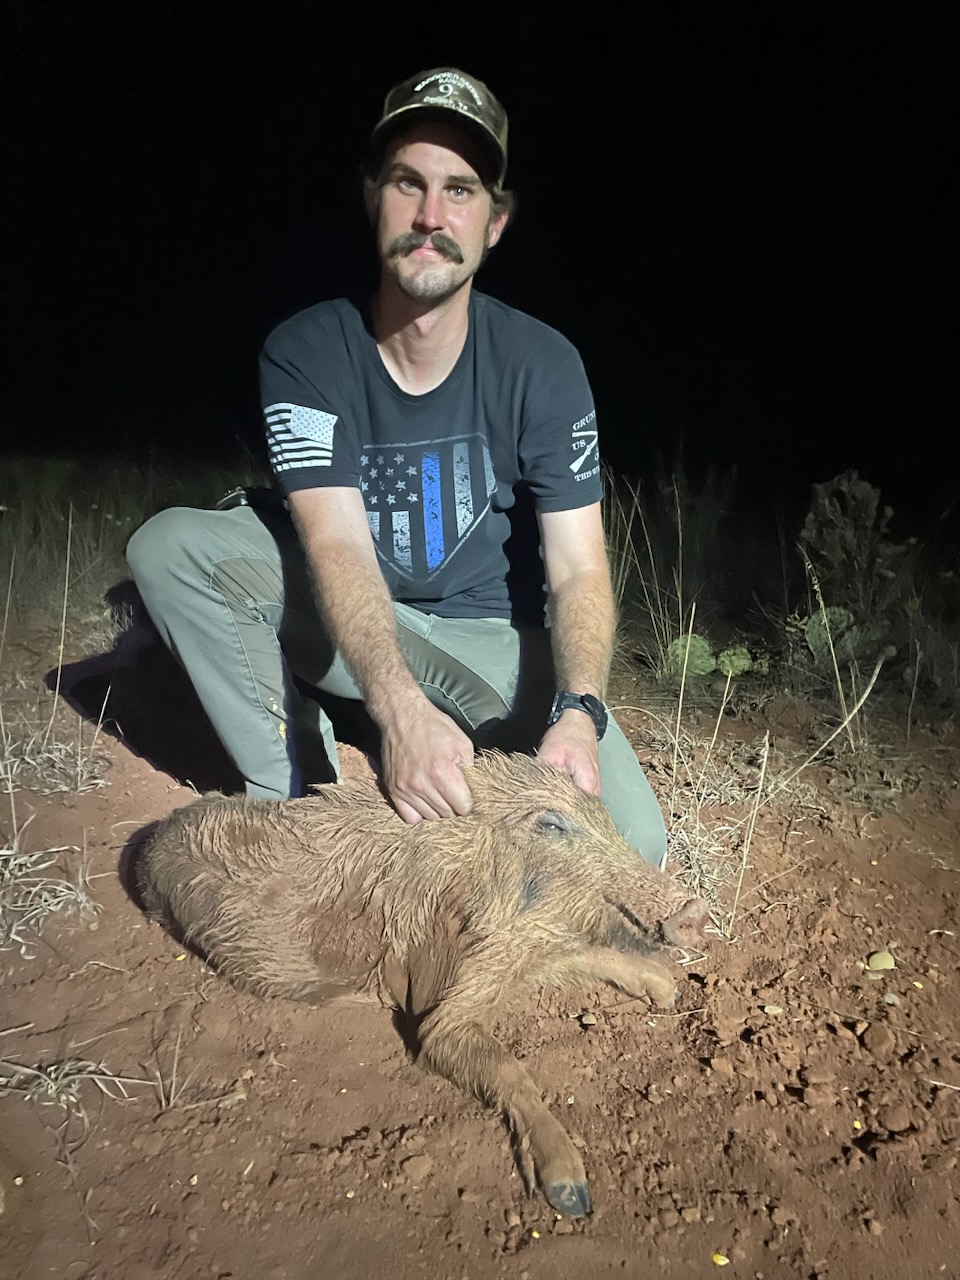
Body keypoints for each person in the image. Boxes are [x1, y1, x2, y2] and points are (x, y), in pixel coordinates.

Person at [127, 67, 668, 868]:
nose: (430, 216)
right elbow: (337, 544)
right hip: (351, 617)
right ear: (372, 196)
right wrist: (399, 709)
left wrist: (578, 710)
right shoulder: (307, 351)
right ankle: (296, 787)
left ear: (496, 223)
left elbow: (580, 568)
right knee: (170, 548)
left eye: (461, 191)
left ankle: (374, 718)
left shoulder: (544, 365)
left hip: (485, 634)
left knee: (633, 846)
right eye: (408, 183)